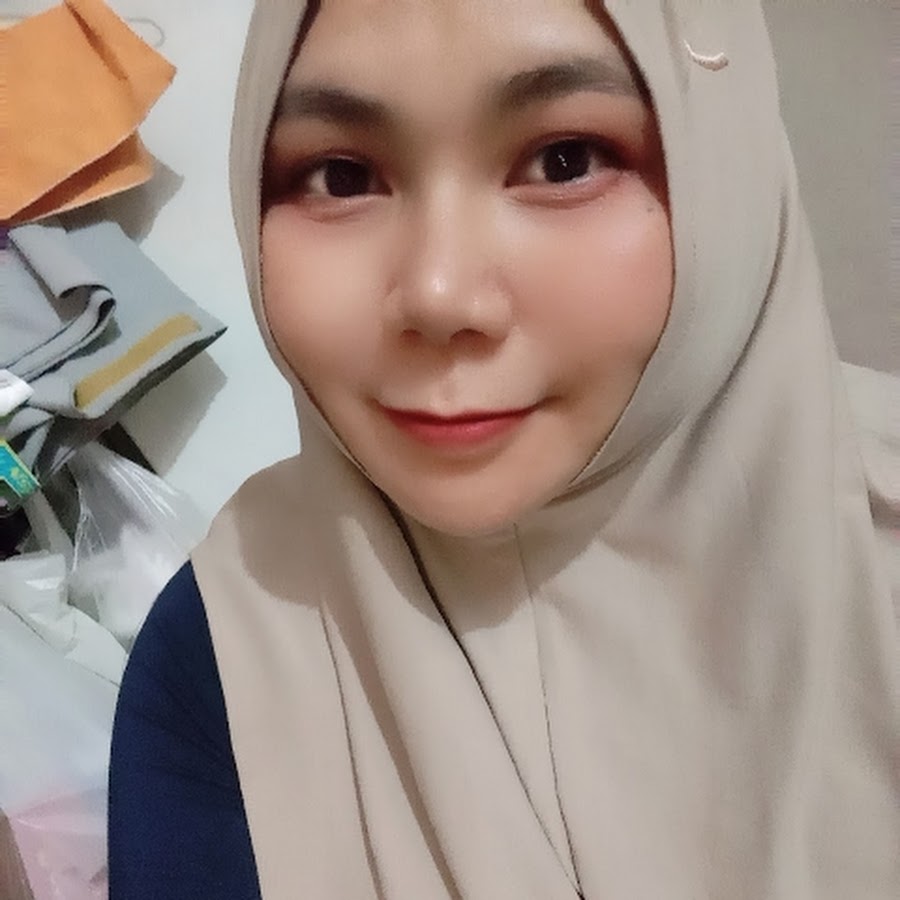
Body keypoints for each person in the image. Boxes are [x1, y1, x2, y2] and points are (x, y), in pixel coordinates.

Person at [108, 1, 899, 897]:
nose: (440, 294)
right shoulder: (219, 651)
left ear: (726, 161)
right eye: (341, 175)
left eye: (568, 160)